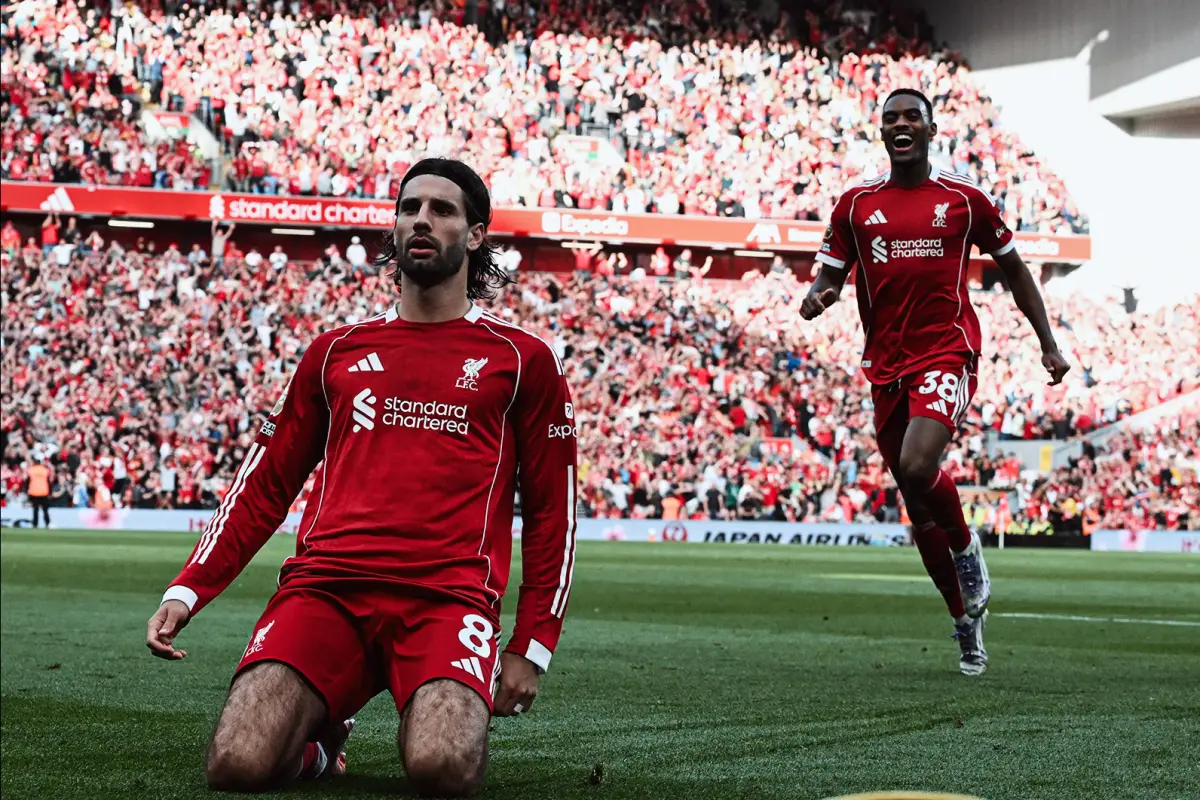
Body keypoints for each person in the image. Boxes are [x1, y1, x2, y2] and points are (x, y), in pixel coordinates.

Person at [145, 158, 579, 796]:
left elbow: (553, 512)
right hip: (326, 592)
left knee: (442, 768)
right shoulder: (333, 353)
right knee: (235, 764)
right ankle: (322, 746)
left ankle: (358, 715)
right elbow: (264, 485)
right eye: (409, 208)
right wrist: (188, 590)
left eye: (442, 209)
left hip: (447, 599)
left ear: (477, 234)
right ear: (394, 228)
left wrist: (532, 643)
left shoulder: (523, 360)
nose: (421, 219)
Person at [801, 89, 1070, 676]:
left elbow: (1017, 271)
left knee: (921, 467)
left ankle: (968, 551)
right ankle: (963, 617)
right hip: (886, 365)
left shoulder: (965, 200)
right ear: (882, 131)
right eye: (890, 118)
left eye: (911, 117)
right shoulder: (855, 204)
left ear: (930, 128)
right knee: (916, 501)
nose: (901, 125)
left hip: (947, 352)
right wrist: (817, 296)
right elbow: (826, 277)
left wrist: (1048, 342)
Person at [26, 457, 53, 528]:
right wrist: (50, 492)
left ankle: (35, 524)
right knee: (45, 510)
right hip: (44, 492)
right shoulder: (45, 470)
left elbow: (27, 481)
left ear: (34, 463)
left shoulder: (31, 470)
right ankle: (48, 523)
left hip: (34, 492)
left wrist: (26, 491)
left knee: (35, 510)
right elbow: (48, 482)